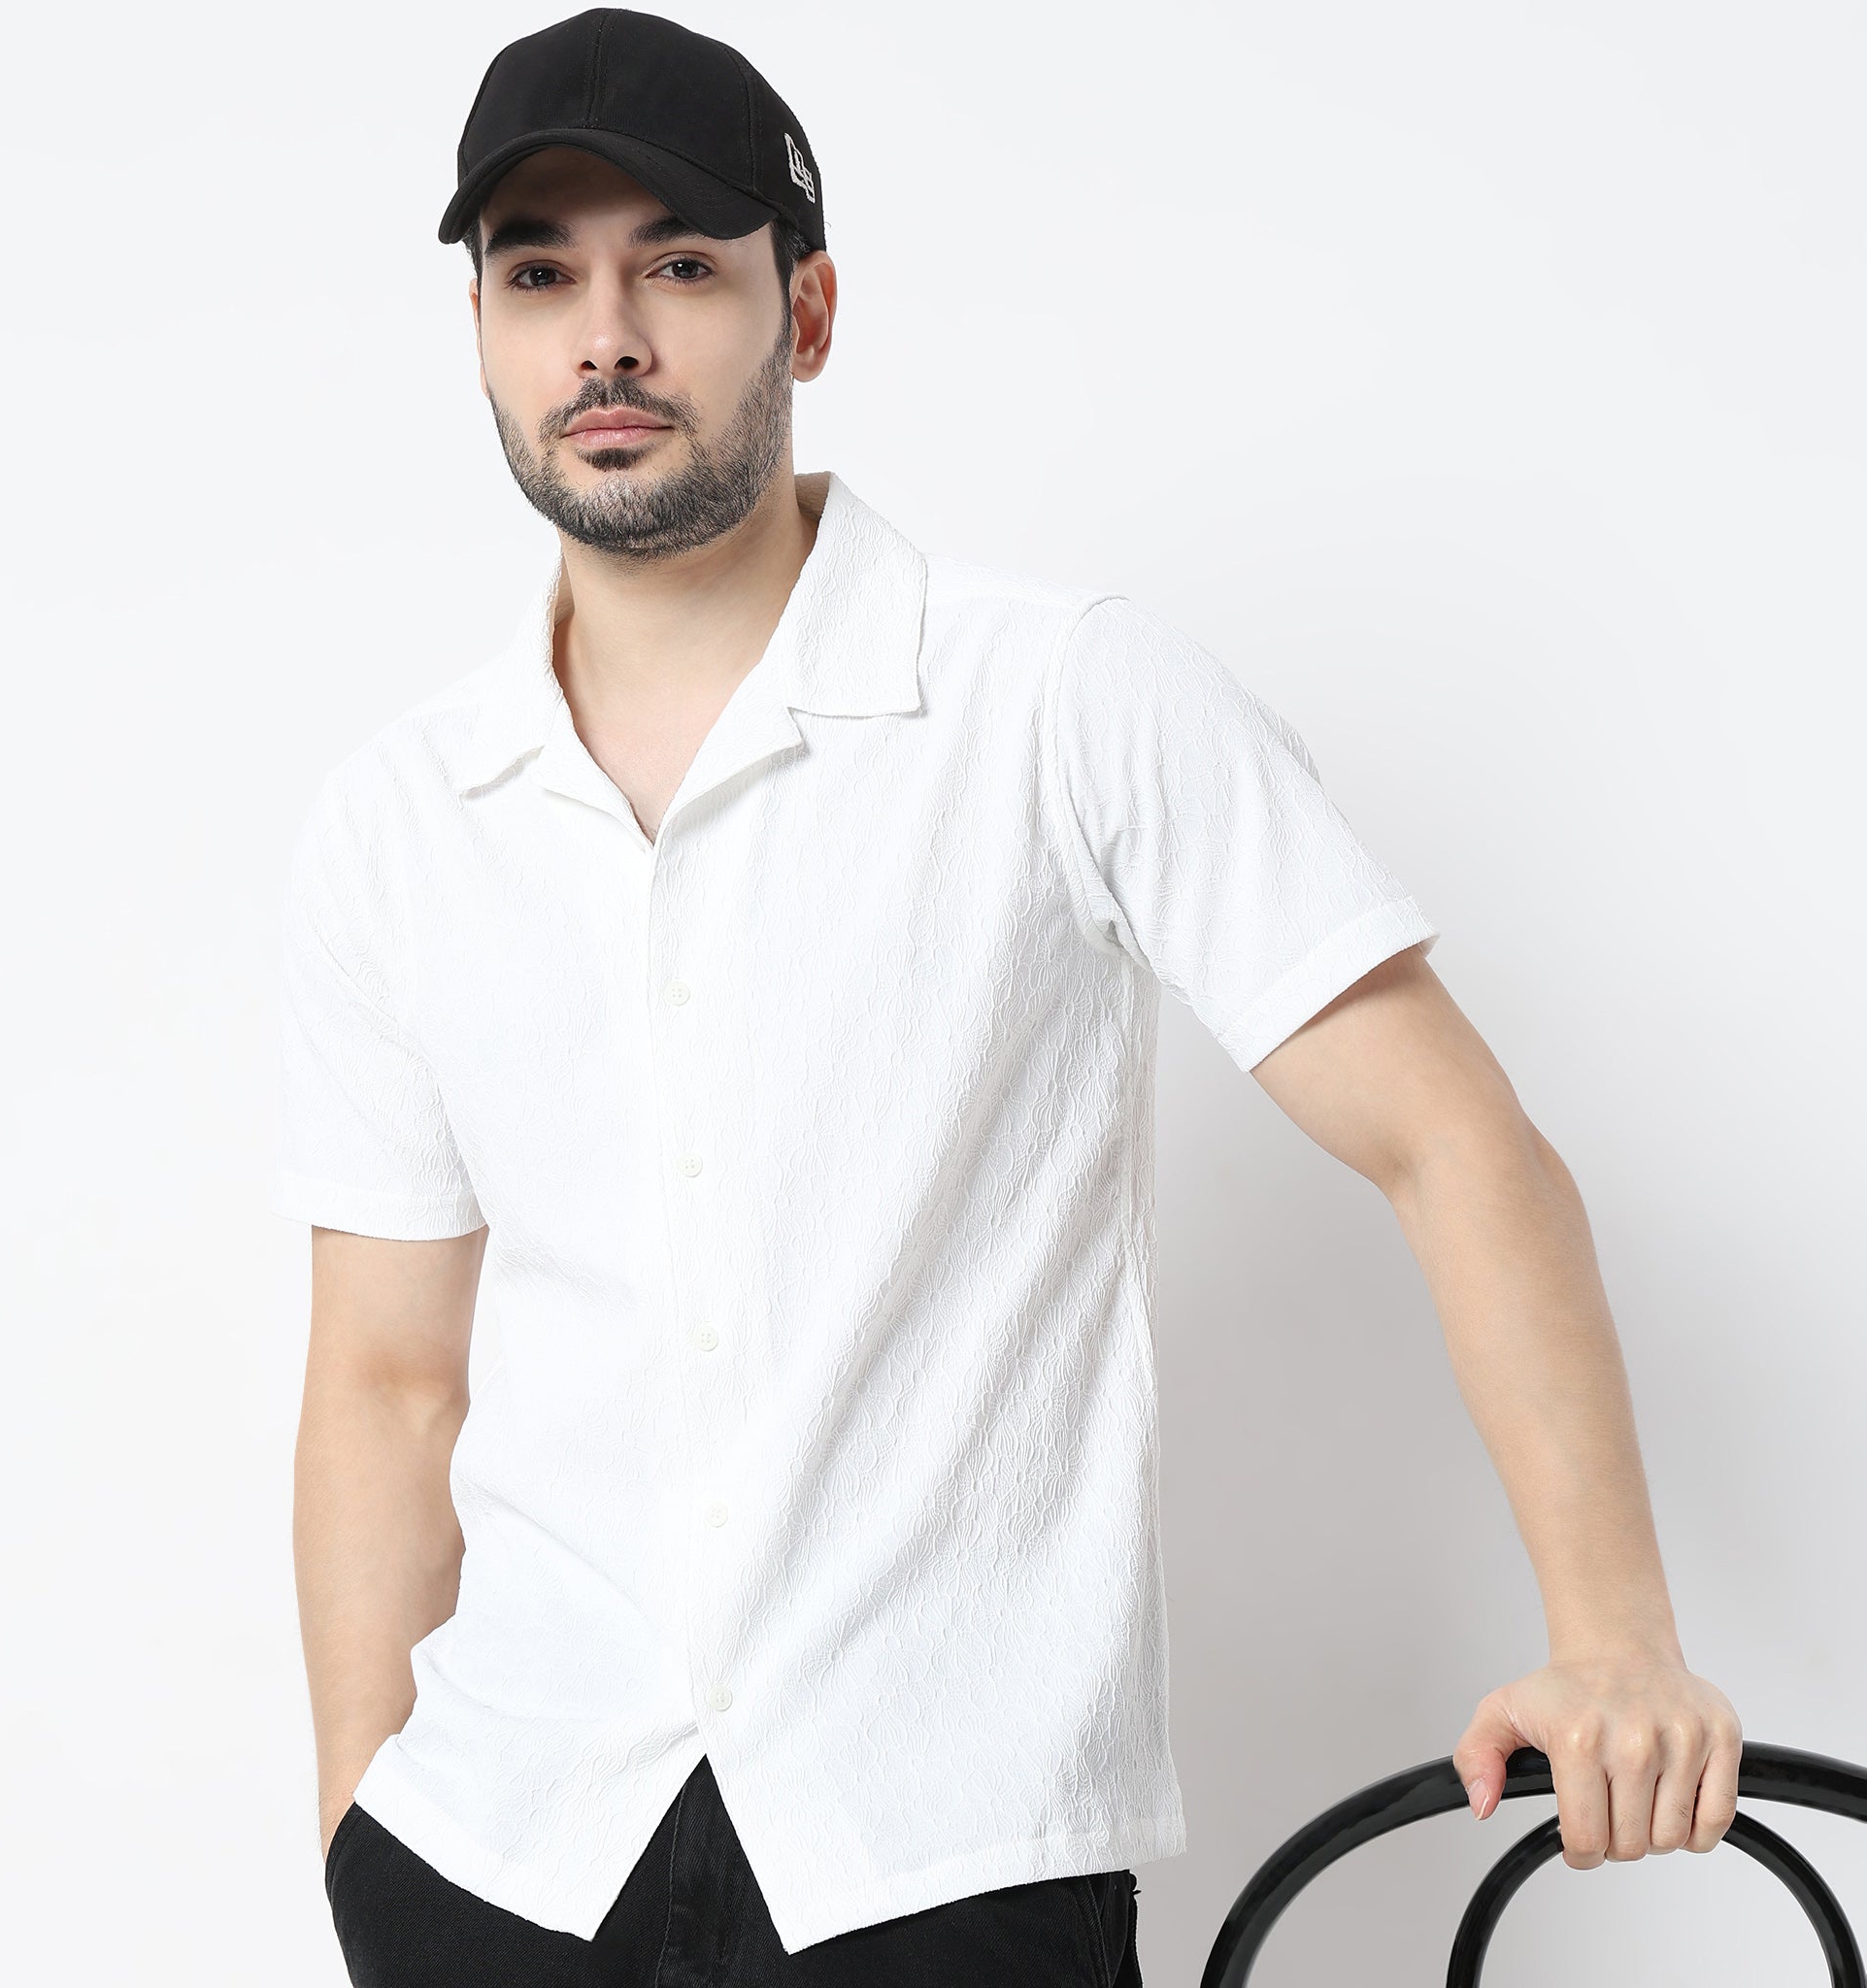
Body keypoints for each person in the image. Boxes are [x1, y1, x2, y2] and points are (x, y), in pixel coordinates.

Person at [272, 10, 1744, 1984]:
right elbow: (387, 1380)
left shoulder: (1062, 700)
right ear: (480, 328)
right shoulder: (396, 822)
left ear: (804, 313)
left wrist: (1617, 1634)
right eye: (539, 275)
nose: (604, 338)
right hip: (501, 1857)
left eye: (679, 266)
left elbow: (1449, 1138)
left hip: (939, 1864)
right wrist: (362, 1838)